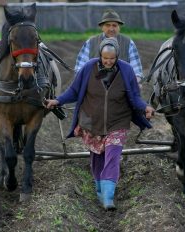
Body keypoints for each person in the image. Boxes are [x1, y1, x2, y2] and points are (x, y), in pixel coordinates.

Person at [46, 38, 155, 210]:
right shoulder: (89, 67)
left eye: (112, 58)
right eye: (105, 58)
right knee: (97, 158)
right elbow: (74, 91)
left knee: (112, 156)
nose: (109, 61)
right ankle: (99, 188)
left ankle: (108, 198)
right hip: (92, 121)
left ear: (117, 56)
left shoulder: (126, 70)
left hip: (118, 121)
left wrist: (146, 107)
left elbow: (134, 97)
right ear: (100, 55)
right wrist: (58, 101)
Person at [75, 9, 143, 86]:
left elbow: (136, 69)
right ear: (102, 27)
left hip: (121, 88)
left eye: (114, 25)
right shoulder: (90, 42)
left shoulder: (128, 43)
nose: (111, 29)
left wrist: (136, 81)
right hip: (95, 87)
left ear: (119, 27)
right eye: (108, 25)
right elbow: (80, 68)